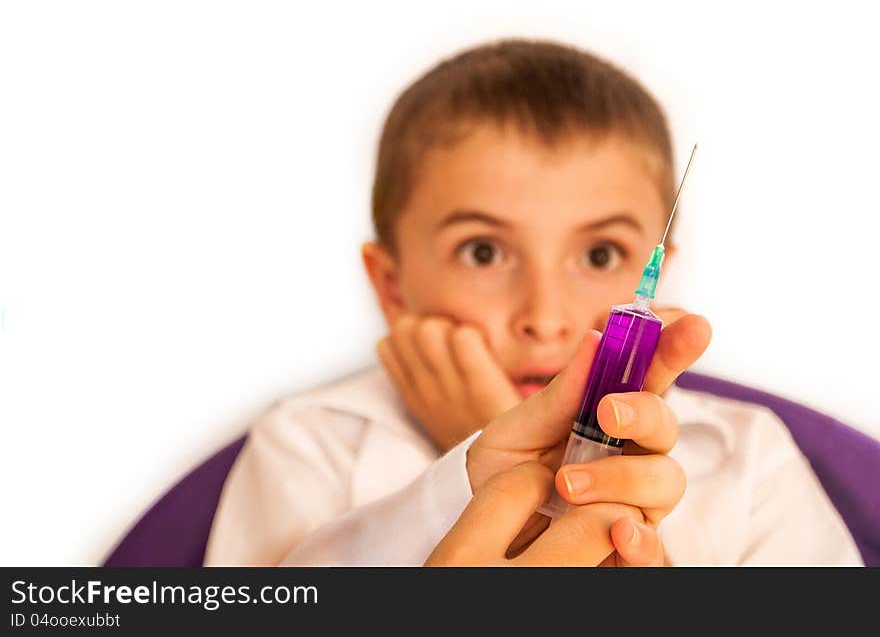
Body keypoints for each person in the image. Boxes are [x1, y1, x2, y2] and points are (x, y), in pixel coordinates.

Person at [203, 39, 861, 566]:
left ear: (659, 280)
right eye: (484, 253)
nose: (545, 316)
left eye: (600, 255)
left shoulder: (748, 459)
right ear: (393, 285)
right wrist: (474, 463)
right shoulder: (311, 446)